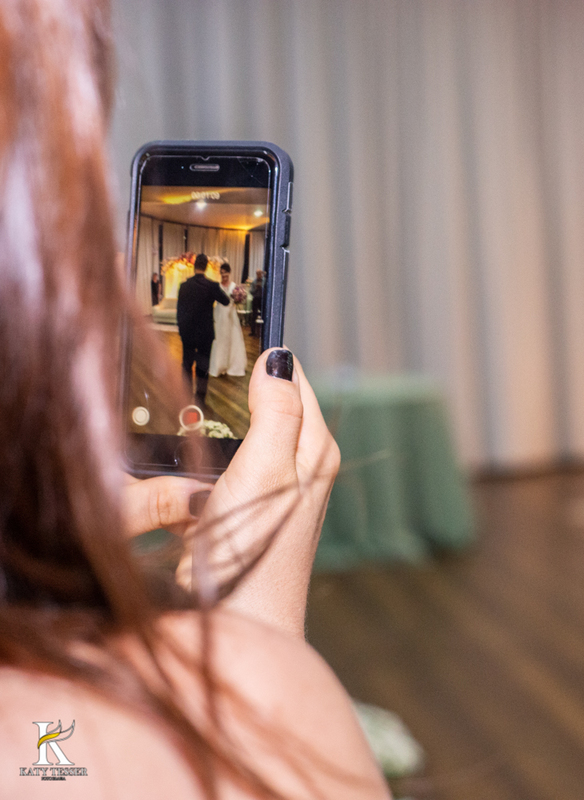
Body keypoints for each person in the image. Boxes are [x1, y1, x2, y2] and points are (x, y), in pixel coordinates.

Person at [0, 3, 387, 798]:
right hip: (207, 357)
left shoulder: (193, 285)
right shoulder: (199, 713)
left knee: (200, 383)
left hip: (198, 350)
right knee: (206, 385)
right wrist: (250, 649)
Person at [176, 253, 230, 404]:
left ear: (194, 266)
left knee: (187, 365)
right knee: (203, 366)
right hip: (205, 334)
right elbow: (226, 301)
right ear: (206, 267)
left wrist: (181, 330)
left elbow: (180, 311)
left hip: (187, 333)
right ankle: (200, 399)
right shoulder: (212, 286)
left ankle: (185, 397)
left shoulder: (184, 286)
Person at [209, 262, 248, 378]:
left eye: (225, 273)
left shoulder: (234, 286)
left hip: (231, 315)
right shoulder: (217, 286)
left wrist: (238, 300)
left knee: (233, 338)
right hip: (219, 314)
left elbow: (238, 300)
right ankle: (219, 365)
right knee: (220, 339)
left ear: (229, 273)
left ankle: (232, 365)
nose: (223, 276)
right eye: (222, 273)